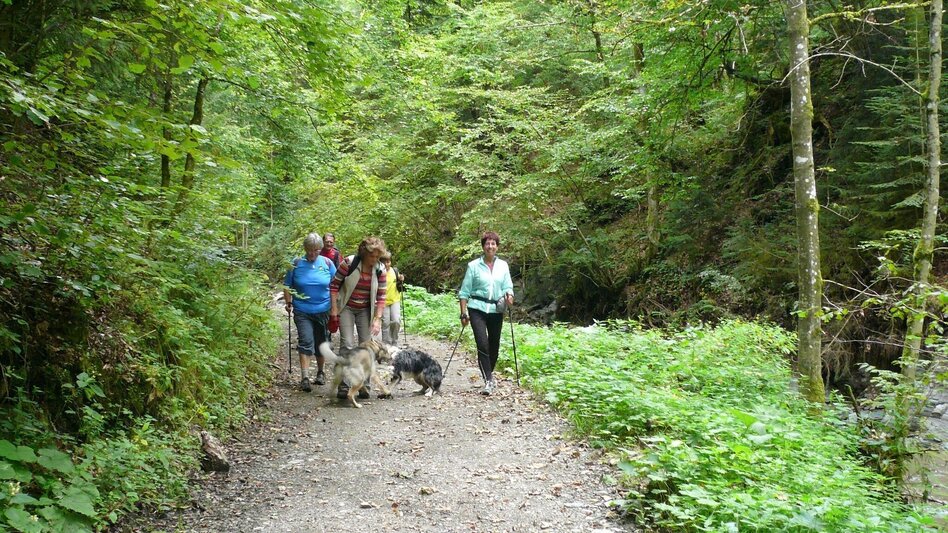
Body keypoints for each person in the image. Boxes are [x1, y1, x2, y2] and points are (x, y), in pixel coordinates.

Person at [329, 236, 388, 398]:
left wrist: (377, 319)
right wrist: (334, 309)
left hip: (365, 309)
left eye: (377, 256)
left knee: (368, 347)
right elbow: (334, 286)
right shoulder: (349, 263)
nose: (374, 259)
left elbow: (381, 296)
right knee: (347, 344)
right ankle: (343, 384)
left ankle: (364, 385)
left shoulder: (380, 269)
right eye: (372, 256)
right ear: (363, 253)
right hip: (346, 306)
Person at [458, 231, 514, 396]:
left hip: (496, 309)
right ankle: (488, 380)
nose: (490, 246)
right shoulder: (473, 266)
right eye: (487, 243)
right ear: (483, 246)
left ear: (497, 246)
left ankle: (489, 374)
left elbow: (507, 286)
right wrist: (463, 313)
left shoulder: (503, 265)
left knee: (494, 344)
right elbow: (464, 291)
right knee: (482, 344)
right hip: (477, 309)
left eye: (493, 243)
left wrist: (509, 295)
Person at [284, 233, 337, 392]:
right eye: (309, 250)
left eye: (316, 250)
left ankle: (320, 373)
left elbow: (335, 286)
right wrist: (288, 302)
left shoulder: (327, 263)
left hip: (323, 310)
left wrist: (335, 308)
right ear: (305, 249)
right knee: (306, 340)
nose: (312, 254)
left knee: (321, 342)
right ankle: (305, 377)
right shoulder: (296, 263)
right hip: (302, 310)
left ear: (320, 249)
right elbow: (287, 285)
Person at [380, 253, 405, 346]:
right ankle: (386, 344)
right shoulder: (378, 272)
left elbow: (400, 280)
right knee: (385, 323)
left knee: (396, 321)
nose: (386, 264)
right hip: (383, 302)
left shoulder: (394, 271)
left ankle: (394, 341)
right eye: (384, 262)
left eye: (388, 262)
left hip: (395, 300)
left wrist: (402, 279)